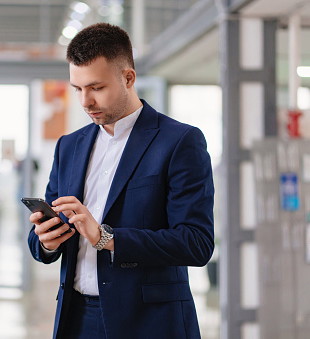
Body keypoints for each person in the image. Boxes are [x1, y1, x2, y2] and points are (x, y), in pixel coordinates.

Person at [27, 22, 214, 339]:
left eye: (96, 88)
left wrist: (105, 237)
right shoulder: (69, 146)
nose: (85, 101)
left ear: (128, 78)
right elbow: (40, 239)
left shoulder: (180, 142)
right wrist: (45, 240)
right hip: (76, 319)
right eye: (78, 89)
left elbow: (196, 243)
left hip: (149, 323)